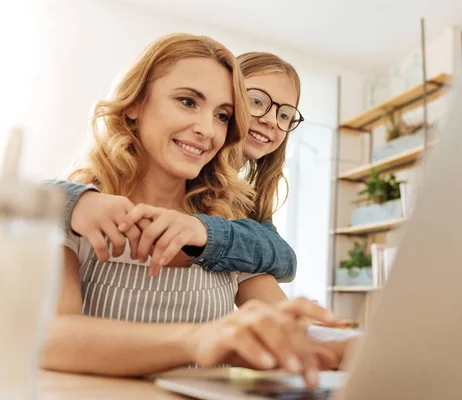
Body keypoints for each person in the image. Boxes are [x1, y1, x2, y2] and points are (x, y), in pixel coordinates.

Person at [41, 33, 340, 387]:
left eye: (223, 116)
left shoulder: (229, 228)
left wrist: (358, 344)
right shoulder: (73, 212)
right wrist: (198, 340)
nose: (206, 129)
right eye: (187, 101)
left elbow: (290, 328)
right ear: (135, 103)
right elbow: (49, 339)